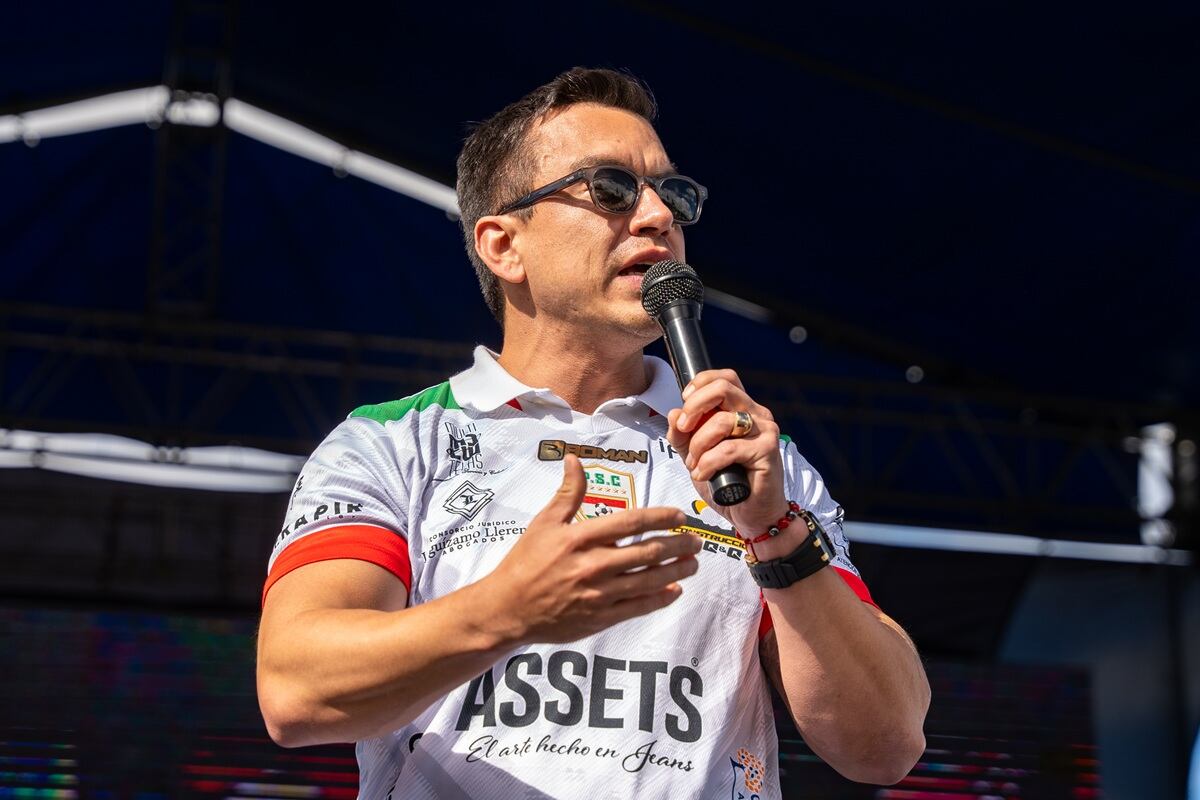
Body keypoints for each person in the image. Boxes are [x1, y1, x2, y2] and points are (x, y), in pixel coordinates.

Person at [256, 67, 930, 799]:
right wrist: (509, 611)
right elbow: (296, 691)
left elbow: (886, 743)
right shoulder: (390, 443)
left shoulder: (760, 462)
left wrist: (776, 536)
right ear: (502, 245)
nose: (656, 217)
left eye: (673, 195)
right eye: (610, 188)